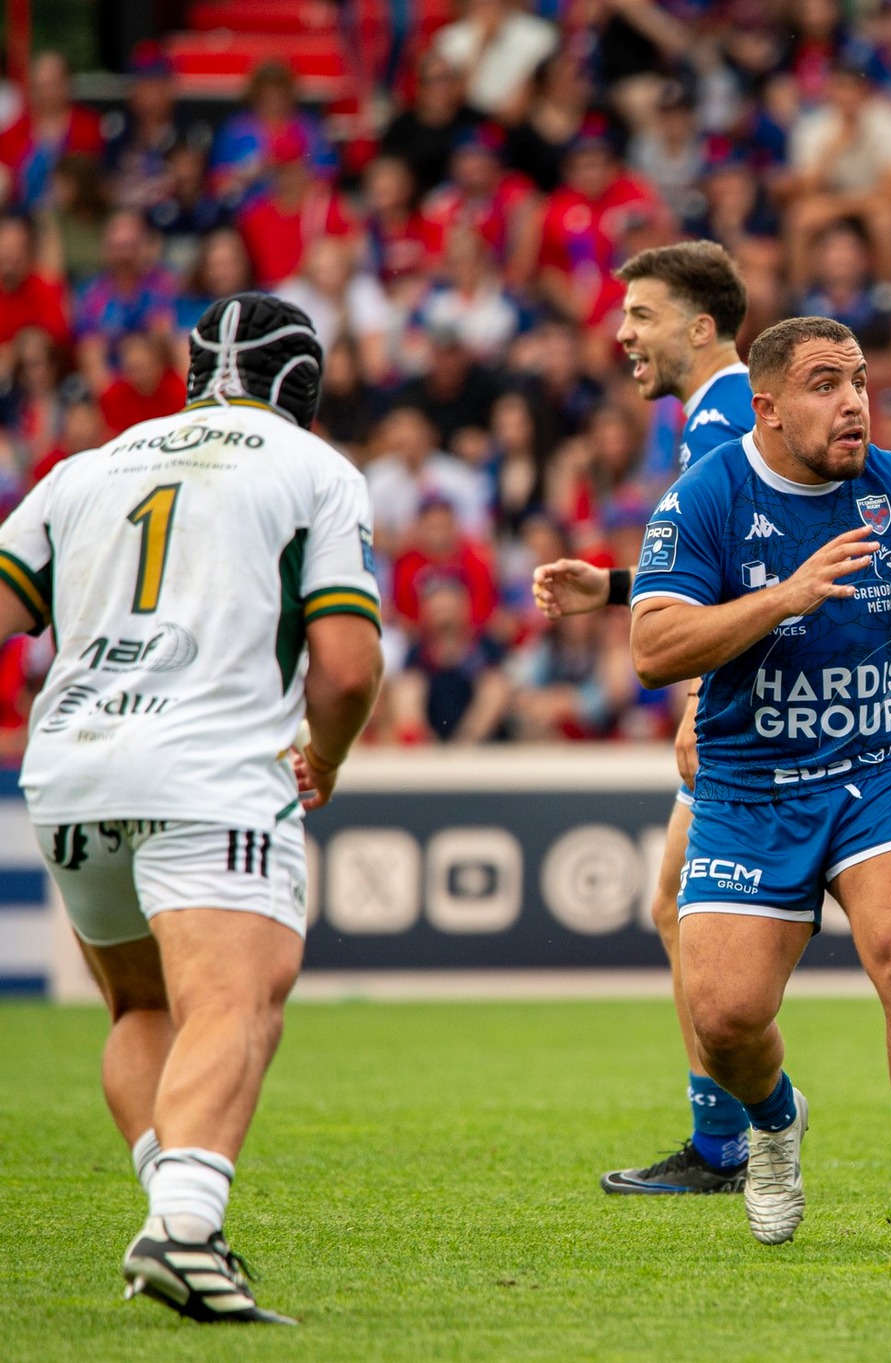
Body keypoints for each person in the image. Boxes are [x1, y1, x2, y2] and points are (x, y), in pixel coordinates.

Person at [531, 245, 891, 1206]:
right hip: (767, 731)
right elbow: (733, 567)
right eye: (833, 384)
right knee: (809, 948)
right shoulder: (721, 437)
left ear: (701, 326)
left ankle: (738, 1138)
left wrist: (698, 699)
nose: (623, 333)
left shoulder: (730, 415)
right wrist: (615, 588)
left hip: (819, 746)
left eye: (641, 313)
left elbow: (768, 570)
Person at [0, 294, 383, 1321]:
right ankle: (181, 1226)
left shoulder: (84, 467)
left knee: (143, 1008)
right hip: (210, 765)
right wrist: (325, 757)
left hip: (73, 767)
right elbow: (347, 667)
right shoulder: (312, 469)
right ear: (303, 384)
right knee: (234, 999)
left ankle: (178, 1214)